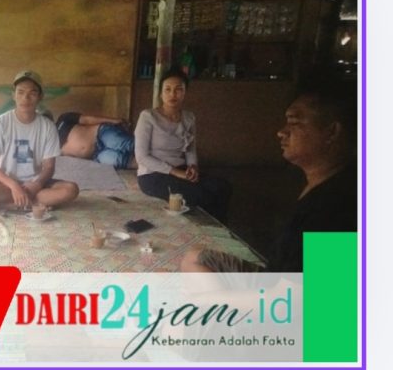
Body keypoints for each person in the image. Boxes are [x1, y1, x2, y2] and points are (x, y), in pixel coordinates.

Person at [181, 89, 357, 273]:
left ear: (332, 132)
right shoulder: (324, 184)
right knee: (195, 256)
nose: (281, 132)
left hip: (286, 290)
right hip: (277, 277)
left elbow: (331, 290)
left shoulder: (338, 207)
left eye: (294, 123)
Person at [134, 68, 232, 222]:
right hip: (153, 175)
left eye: (178, 89)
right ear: (161, 93)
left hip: (181, 170)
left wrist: (193, 167)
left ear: (185, 93)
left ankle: (220, 227)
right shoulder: (148, 116)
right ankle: (207, 228)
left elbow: (190, 149)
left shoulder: (189, 117)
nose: (173, 94)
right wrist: (175, 172)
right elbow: (141, 157)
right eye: (167, 89)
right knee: (202, 196)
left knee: (222, 187)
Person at [0, 70, 79, 210]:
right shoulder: (0, 123)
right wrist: (14, 186)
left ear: (40, 97)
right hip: (7, 183)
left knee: (71, 189)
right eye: (20, 92)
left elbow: (49, 167)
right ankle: (33, 204)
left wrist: (37, 184)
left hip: (36, 185)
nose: (25, 98)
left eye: (32, 93)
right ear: (13, 95)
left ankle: (10, 205)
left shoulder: (48, 126)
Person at [55, 112, 135, 169]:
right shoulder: (51, 146)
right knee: (119, 161)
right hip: (96, 156)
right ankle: (143, 170)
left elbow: (87, 119)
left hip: (100, 134)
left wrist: (113, 120)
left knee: (125, 144)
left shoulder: (63, 119)